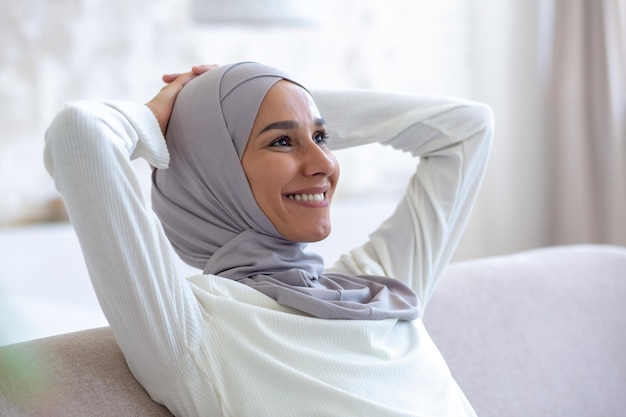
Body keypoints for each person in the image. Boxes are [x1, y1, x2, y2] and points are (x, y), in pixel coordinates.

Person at [44, 62, 493, 417]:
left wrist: (268, 97)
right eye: (281, 142)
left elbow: (467, 127)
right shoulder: (192, 331)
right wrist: (185, 118)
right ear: (213, 172)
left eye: (322, 137)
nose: (324, 163)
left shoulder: (373, 288)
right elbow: (80, 134)